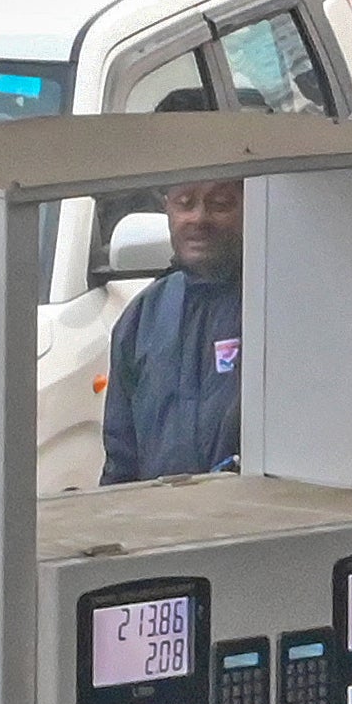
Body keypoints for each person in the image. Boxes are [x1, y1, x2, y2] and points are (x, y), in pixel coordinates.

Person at [97, 160, 246, 483]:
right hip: (162, 524)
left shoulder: (275, 306)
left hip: (252, 520)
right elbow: (121, 459)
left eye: (220, 204)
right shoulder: (141, 318)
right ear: (167, 210)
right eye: (185, 204)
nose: (199, 218)